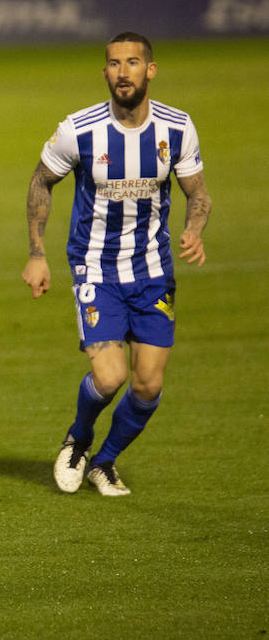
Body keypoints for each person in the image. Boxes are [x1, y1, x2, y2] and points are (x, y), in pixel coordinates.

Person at [23, 31, 210, 497]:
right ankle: (79, 438)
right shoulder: (79, 128)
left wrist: (194, 229)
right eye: (113, 63)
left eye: (131, 63)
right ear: (104, 71)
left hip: (152, 271)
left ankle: (104, 463)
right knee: (110, 376)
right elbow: (41, 182)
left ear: (150, 70)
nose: (121, 72)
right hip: (95, 267)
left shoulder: (177, 127)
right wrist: (37, 253)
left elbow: (198, 193)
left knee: (147, 384)